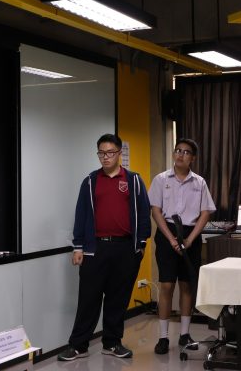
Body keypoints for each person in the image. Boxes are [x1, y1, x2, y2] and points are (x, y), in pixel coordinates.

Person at [57, 133, 151, 361]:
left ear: (119, 153)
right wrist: (78, 247)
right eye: (101, 153)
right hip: (95, 249)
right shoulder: (90, 181)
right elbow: (81, 215)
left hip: (125, 249)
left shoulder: (133, 180)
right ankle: (78, 346)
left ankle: (112, 343)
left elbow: (144, 213)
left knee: (118, 299)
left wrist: (140, 245)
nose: (105, 157)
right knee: (88, 298)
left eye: (110, 152)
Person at [148, 138, 216, 355]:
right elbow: (156, 211)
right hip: (167, 232)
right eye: (178, 150)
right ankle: (163, 337)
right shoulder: (161, 179)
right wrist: (171, 239)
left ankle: (185, 334)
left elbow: (205, 212)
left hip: (190, 234)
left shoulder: (199, 182)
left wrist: (190, 239)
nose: (180, 154)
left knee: (187, 285)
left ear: (192, 158)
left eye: (186, 152)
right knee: (167, 285)